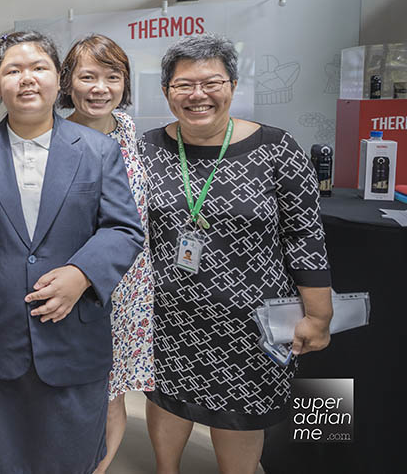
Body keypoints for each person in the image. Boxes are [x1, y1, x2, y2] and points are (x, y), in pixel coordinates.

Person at [0, 30, 144, 474]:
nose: (26, 79)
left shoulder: (98, 150)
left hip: (72, 335)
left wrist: (82, 274)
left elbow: (124, 229)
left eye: (38, 68)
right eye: (13, 70)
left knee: (69, 455)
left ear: (58, 80)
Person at [139, 34, 332, 474]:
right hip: (168, 314)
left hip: (252, 318)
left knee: (242, 410)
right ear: (167, 91)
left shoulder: (276, 147)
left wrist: (318, 315)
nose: (198, 95)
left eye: (212, 82)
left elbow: (305, 234)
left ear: (233, 84)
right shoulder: (145, 150)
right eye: (183, 85)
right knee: (167, 397)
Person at [57, 34, 154, 474]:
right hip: (73, 280)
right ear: (68, 82)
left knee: (113, 390)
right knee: (70, 385)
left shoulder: (130, 130)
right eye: (88, 76)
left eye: (112, 77)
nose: (100, 88)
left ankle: (98, 469)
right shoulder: (53, 133)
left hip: (130, 284)